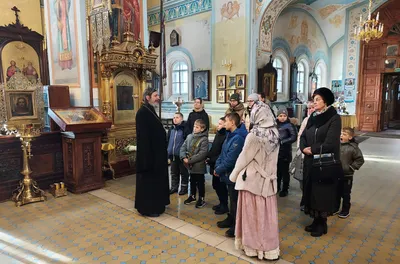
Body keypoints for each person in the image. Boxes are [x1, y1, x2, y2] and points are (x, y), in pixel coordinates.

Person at [230, 100, 280, 261]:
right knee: (267, 217)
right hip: (269, 182)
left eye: (249, 116)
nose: (246, 119)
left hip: (252, 181)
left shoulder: (254, 135)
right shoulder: (275, 133)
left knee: (252, 217)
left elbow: (243, 158)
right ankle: (269, 250)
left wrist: (234, 175)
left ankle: (253, 248)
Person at [300, 87, 342, 237]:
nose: (314, 102)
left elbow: (331, 142)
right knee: (310, 189)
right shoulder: (313, 117)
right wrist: (303, 147)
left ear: (326, 101)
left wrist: (314, 149)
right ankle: (315, 220)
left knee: (322, 192)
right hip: (310, 161)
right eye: (314, 99)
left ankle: (322, 223)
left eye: (318, 99)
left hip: (324, 163)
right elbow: (304, 135)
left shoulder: (334, 118)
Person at [135, 88, 170, 217]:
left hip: (157, 154)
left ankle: (158, 204)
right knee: (149, 182)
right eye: (155, 95)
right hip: (149, 156)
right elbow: (143, 138)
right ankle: (148, 208)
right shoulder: (142, 113)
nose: (158, 98)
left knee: (157, 181)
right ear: (148, 97)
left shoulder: (151, 110)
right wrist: (146, 159)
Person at [215, 113, 248, 237]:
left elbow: (231, 159)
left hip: (233, 173)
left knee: (235, 200)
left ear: (233, 123)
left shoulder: (238, 138)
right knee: (231, 199)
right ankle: (231, 218)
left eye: (226, 121)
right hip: (226, 172)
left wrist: (219, 169)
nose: (224, 123)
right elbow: (223, 153)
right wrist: (218, 166)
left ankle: (236, 225)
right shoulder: (229, 135)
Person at [291, 101, 315, 210]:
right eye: (309, 108)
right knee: (302, 179)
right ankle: (305, 198)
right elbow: (300, 135)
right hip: (303, 153)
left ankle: (310, 201)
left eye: (313, 108)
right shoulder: (306, 120)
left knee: (312, 180)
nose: (311, 110)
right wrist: (300, 149)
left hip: (314, 154)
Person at [180, 119, 209, 208]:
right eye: (194, 126)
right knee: (192, 181)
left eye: (197, 127)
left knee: (200, 182)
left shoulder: (204, 139)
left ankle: (201, 198)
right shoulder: (189, 136)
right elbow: (183, 147)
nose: (194, 128)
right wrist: (183, 157)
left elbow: (202, 153)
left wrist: (189, 160)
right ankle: (192, 196)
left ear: (202, 129)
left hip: (198, 165)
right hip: (190, 165)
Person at [337, 127, 364, 218]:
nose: (341, 135)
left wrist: (351, 168)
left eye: (344, 134)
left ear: (350, 137)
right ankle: (335, 207)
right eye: (341, 134)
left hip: (347, 174)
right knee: (336, 192)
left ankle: (345, 210)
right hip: (336, 173)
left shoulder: (353, 148)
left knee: (345, 193)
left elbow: (360, 160)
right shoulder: (337, 145)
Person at [206, 117, 228, 215]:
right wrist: (208, 156)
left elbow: (222, 153)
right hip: (213, 163)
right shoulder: (219, 134)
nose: (218, 125)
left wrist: (212, 160)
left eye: (220, 124)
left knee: (221, 186)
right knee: (216, 185)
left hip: (219, 165)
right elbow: (214, 148)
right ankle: (221, 203)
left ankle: (224, 205)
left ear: (225, 124)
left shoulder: (226, 136)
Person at [276, 108, 298, 197]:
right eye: (280, 116)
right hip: (276, 152)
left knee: (284, 172)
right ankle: (276, 186)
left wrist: (283, 141)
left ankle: (285, 189)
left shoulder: (290, 125)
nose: (282, 118)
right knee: (277, 172)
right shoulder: (275, 125)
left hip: (285, 152)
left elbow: (293, 137)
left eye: (284, 116)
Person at [167, 112, 189, 195]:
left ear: (181, 119)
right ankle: (174, 187)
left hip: (182, 155)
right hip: (172, 155)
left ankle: (184, 188)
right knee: (173, 172)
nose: (175, 119)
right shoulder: (171, 129)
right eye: (174, 117)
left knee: (183, 173)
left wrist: (185, 154)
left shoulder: (185, 129)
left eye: (177, 117)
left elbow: (187, 142)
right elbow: (168, 141)